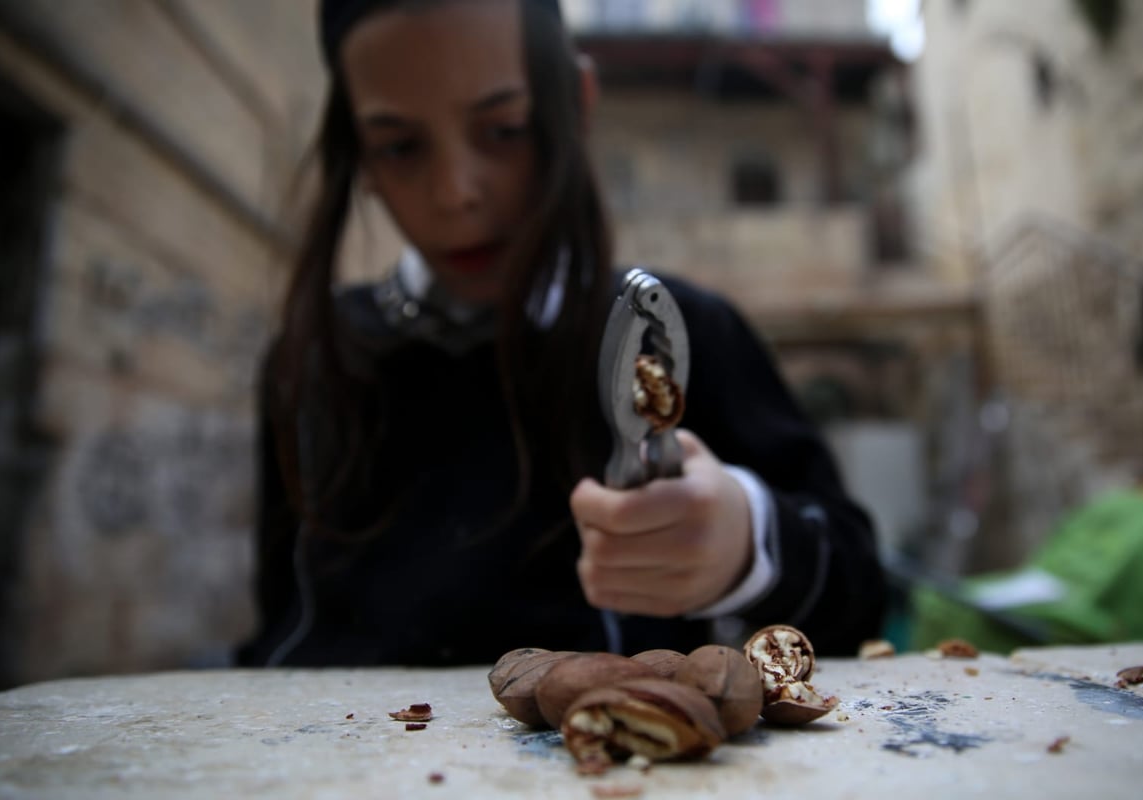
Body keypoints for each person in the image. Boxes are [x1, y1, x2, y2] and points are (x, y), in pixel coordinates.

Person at [235, 0, 885, 668]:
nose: (456, 192)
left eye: (504, 129)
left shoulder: (671, 331)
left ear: (575, 101)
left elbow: (861, 592)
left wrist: (747, 543)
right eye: (400, 146)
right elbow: (277, 626)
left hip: (619, 762)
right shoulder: (310, 358)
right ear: (359, 158)